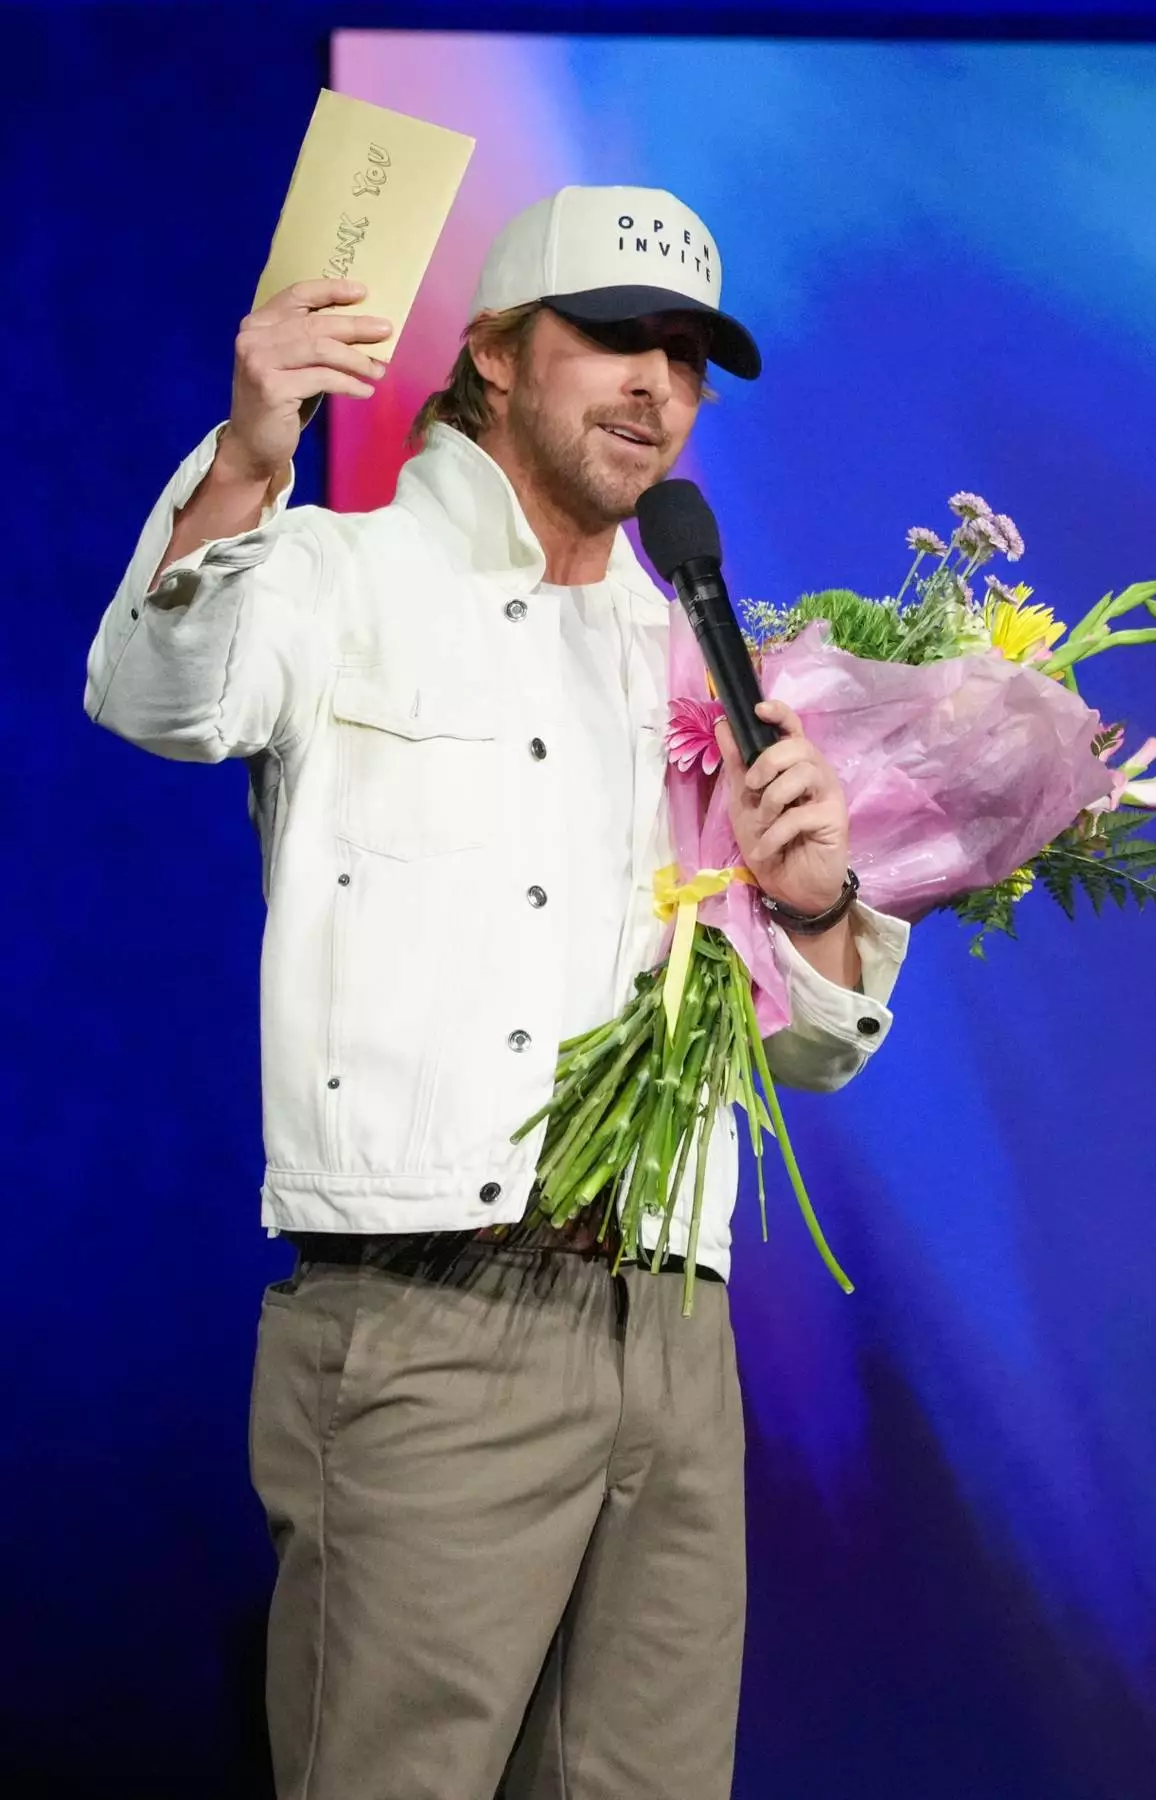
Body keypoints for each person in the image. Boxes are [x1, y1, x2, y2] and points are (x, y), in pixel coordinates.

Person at [84, 184, 908, 1800]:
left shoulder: (699, 654)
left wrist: (815, 912)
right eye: (612, 337)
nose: (653, 386)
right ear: (489, 356)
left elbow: (800, 1048)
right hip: (428, 1321)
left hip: (672, 1335)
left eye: (685, 356)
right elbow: (153, 694)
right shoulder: (336, 574)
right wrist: (252, 457)